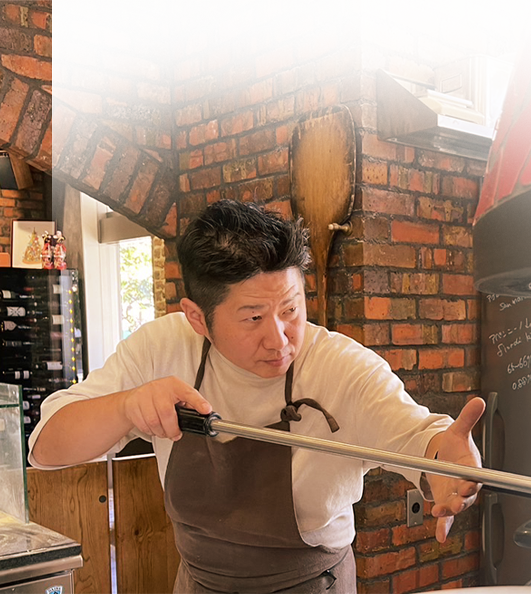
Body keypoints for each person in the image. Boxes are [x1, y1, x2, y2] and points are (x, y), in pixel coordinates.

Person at [28, 200, 485, 594]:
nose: (280, 339)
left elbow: (420, 438)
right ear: (197, 318)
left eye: (291, 310)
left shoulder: (341, 366)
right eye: (252, 318)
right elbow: (46, 447)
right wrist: (126, 406)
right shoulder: (160, 349)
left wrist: (447, 465)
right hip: (199, 583)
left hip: (310, 585)